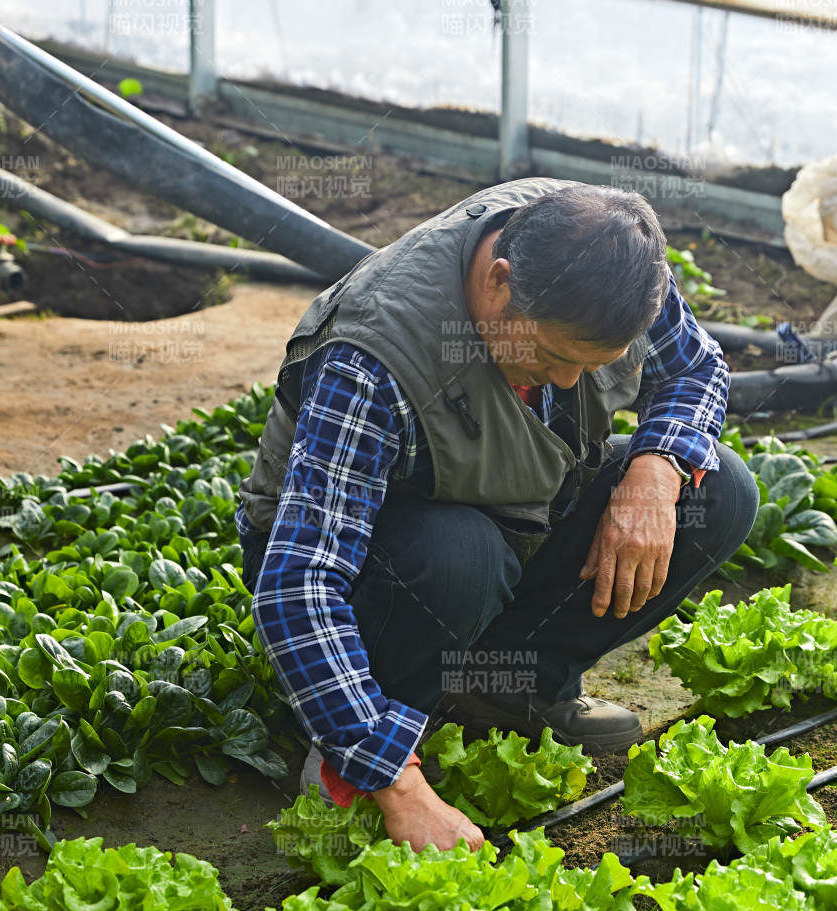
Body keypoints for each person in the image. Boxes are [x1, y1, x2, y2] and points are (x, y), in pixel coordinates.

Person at [237, 177, 759, 853]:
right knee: (461, 556)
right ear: (500, 281)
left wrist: (655, 474)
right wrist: (397, 785)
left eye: (592, 365)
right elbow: (300, 584)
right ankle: (356, 745)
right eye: (554, 357)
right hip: (379, 560)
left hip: (521, 506)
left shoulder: (613, 266)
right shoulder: (374, 357)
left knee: (716, 493)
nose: (569, 382)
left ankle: (507, 692)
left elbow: (695, 369)